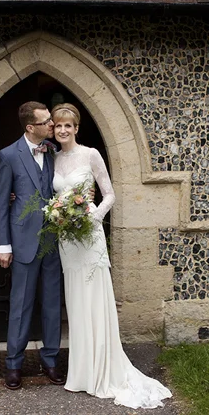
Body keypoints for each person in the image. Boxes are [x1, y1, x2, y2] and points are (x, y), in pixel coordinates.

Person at [51, 103, 172, 408]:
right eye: (58, 125)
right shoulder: (52, 158)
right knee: (76, 301)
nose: (63, 130)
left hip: (88, 236)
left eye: (68, 125)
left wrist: (93, 216)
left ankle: (102, 370)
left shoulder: (90, 154)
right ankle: (81, 373)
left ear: (76, 128)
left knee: (93, 298)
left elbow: (110, 194)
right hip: (67, 240)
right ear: (52, 128)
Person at [0, 101, 65, 390]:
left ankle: (50, 360)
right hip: (22, 241)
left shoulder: (53, 152)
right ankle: (13, 364)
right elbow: (0, 204)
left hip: (53, 241)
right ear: (30, 127)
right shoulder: (8, 155)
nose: (52, 124)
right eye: (46, 121)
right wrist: (3, 245)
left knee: (52, 304)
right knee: (20, 305)